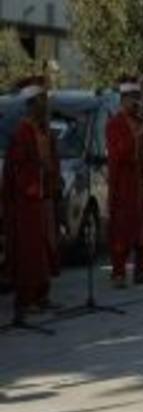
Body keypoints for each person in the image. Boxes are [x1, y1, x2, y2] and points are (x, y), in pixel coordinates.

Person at [3, 76, 61, 322]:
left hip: (44, 197)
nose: (46, 105)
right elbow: (18, 168)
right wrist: (39, 173)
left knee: (46, 247)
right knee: (30, 252)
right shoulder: (22, 133)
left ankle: (42, 295)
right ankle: (27, 298)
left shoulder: (44, 131)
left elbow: (51, 160)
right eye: (42, 100)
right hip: (28, 201)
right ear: (33, 103)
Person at [106, 76, 143, 288]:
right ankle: (118, 273)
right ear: (122, 99)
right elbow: (120, 153)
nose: (135, 102)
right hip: (124, 185)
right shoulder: (114, 124)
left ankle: (141, 272)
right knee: (122, 228)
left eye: (137, 97)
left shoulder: (141, 121)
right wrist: (140, 133)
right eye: (131, 98)